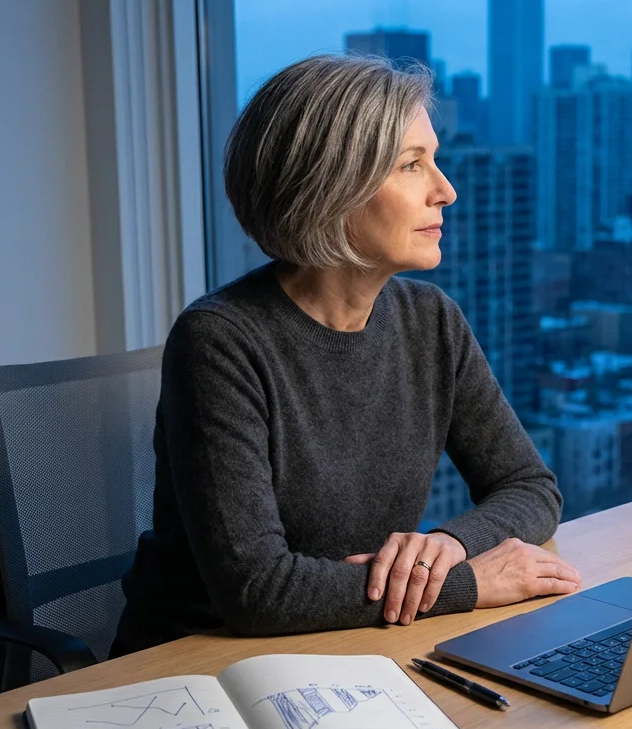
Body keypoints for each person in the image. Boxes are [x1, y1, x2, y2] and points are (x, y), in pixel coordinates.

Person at [110, 54, 582, 657]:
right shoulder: (219, 340)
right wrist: (467, 583)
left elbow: (530, 487)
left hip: (356, 645)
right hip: (202, 661)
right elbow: (256, 589)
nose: (447, 190)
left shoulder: (431, 320)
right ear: (330, 186)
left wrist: (448, 546)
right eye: (413, 165)